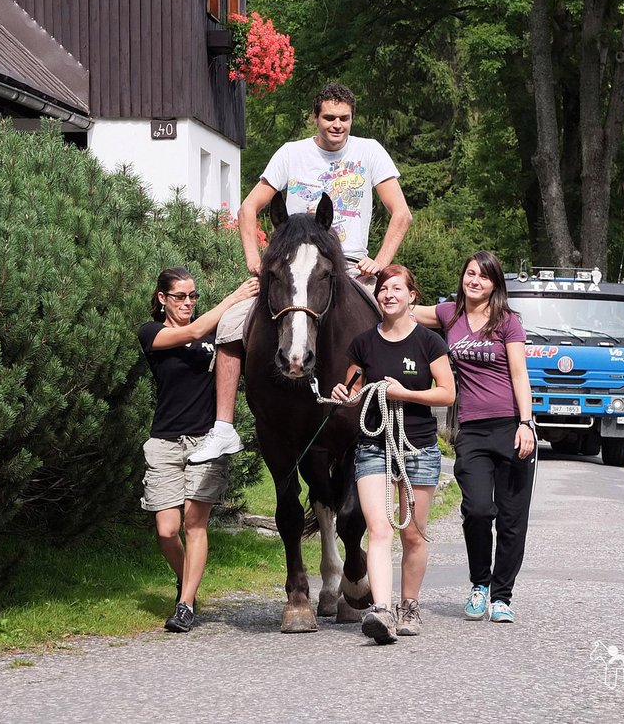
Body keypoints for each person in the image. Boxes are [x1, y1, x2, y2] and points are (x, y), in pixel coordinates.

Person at [185, 82, 413, 464]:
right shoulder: (291, 154)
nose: (337, 125)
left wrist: (380, 260)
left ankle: (395, 433)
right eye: (329, 118)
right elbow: (248, 209)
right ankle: (223, 428)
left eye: (344, 118)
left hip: (351, 267)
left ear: (352, 118)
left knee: (394, 332)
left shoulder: (370, 151)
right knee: (228, 325)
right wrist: (254, 259)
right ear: (315, 117)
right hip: (291, 267)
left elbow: (401, 213)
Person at [330, 265, 454, 644]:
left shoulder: (429, 343)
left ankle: (409, 605)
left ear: (411, 296)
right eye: (383, 289)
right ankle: (381, 611)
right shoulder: (363, 344)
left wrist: (407, 394)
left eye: (396, 288)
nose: (388, 294)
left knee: (413, 535)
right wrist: (344, 395)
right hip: (373, 447)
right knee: (379, 530)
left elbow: (447, 393)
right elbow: (354, 389)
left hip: (418, 448)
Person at [412, 250, 536, 623]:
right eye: (470, 274)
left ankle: (502, 596)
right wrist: (368, 276)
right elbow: (400, 304)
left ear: (495, 284)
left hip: (512, 427)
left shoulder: (507, 321)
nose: (475, 281)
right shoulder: (449, 314)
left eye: (483, 276)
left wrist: (526, 424)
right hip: (472, 431)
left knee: (513, 519)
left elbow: (519, 374)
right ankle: (480, 584)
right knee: (479, 510)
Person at [138, 267, 259, 632]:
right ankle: (187, 579)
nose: (188, 303)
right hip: (164, 441)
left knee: (194, 523)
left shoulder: (216, 336)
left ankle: (186, 604)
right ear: (162, 299)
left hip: (206, 441)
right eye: (180, 296)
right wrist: (235, 297)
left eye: (193, 296)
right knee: (165, 530)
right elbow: (190, 332)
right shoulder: (153, 333)